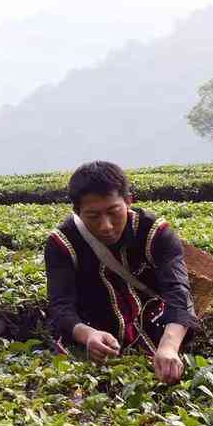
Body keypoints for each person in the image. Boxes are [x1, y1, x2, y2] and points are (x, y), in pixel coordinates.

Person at [46, 161, 199, 384]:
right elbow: (60, 306)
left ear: (128, 201)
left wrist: (168, 347)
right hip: (93, 322)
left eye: (113, 212)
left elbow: (178, 292)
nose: (106, 226)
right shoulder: (61, 242)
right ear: (77, 212)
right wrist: (88, 335)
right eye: (93, 216)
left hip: (151, 323)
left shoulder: (156, 232)